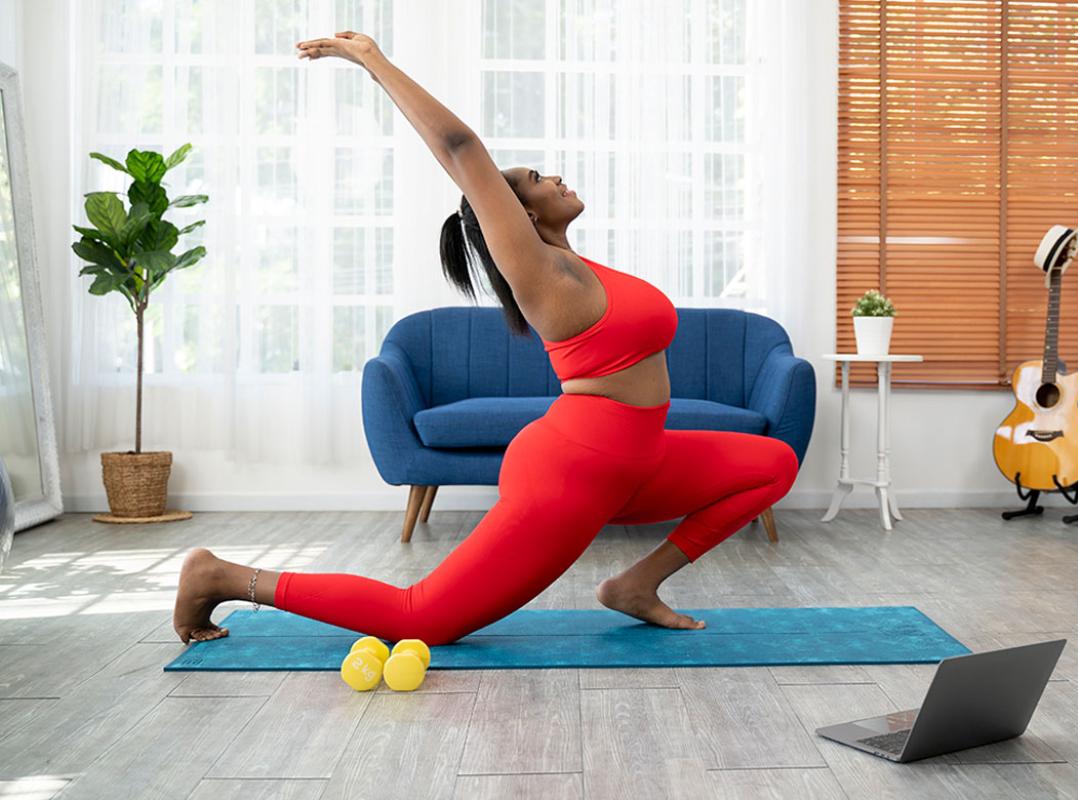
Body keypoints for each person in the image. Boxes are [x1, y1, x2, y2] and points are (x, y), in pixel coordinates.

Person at [172, 31, 799, 646]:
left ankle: (635, 585)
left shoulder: (582, 265)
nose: (555, 178)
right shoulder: (538, 270)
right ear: (516, 213)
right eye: (536, 179)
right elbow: (458, 146)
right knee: (422, 620)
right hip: (577, 472)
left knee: (772, 464)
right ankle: (223, 576)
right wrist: (370, 59)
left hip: (640, 459)